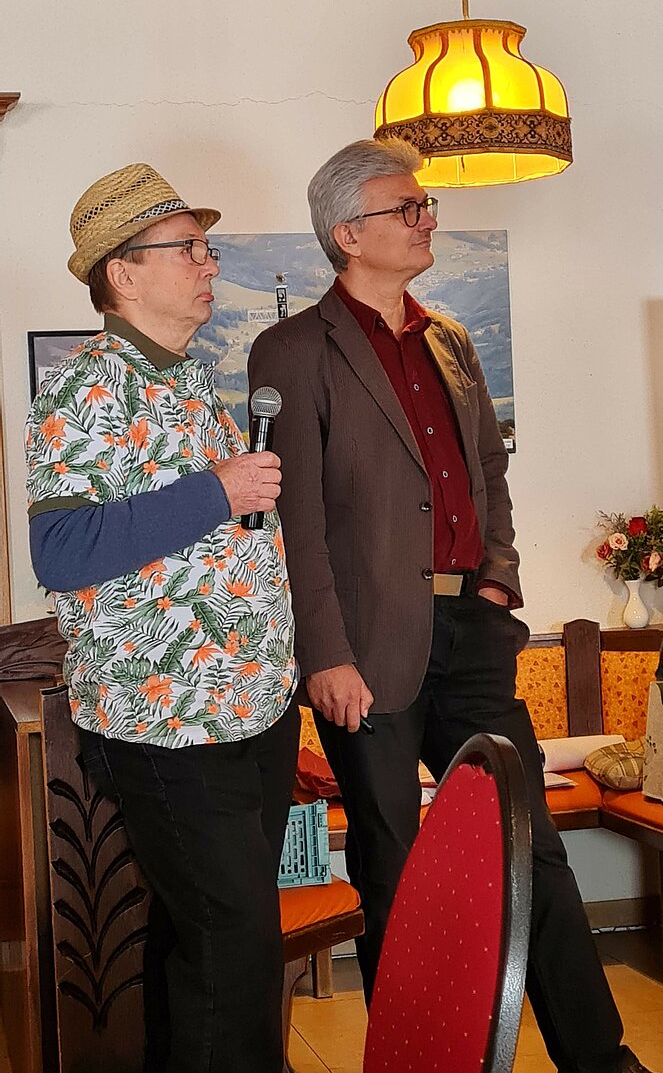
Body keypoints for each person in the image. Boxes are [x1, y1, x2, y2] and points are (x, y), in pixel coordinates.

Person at [248, 138, 653, 1073]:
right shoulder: (293, 350)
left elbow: (488, 478)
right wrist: (325, 653)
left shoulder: (450, 340)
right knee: (393, 865)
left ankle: (603, 1061)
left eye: (426, 204)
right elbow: (296, 524)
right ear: (348, 234)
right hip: (364, 649)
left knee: (531, 852)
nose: (427, 218)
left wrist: (498, 577)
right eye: (407, 207)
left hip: (470, 633)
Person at [25, 163, 299, 1073]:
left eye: (205, 248)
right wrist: (217, 490)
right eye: (187, 248)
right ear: (123, 272)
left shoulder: (188, 381)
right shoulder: (85, 387)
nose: (209, 264)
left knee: (203, 941)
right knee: (237, 948)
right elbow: (62, 551)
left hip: (249, 707)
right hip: (169, 720)